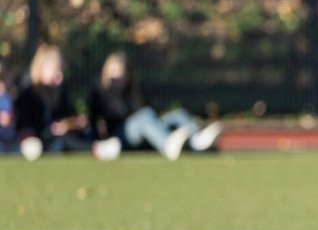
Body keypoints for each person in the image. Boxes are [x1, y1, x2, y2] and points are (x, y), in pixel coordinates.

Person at [88, 51, 223, 161]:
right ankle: (168, 146)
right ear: (106, 72)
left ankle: (196, 141)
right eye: (114, 71)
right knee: (144, 116)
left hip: (144, 126)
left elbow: (148, 110)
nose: (118, 75)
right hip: (121, 135)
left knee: (178, 115)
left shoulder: (133, 91)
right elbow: (95, 118)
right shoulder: (101, 91)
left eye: (121, 71)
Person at [14, 44, 99, 161]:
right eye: (56, 70)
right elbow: (25, 127)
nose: (60, 76)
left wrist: (71, 124)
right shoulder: (27, 93)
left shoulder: (60, 92)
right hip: (36, 143)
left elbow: (67, 117)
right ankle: (95, 150)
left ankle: (96, 148)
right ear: (41, 68)